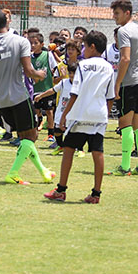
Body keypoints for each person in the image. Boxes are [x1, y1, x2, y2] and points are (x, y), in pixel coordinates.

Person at [0, 10, 55, 185]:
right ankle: (13, 173)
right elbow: (29, 71)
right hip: (20, 96)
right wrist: (40, 74)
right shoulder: (20, 41)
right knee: (30, 137)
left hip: (2, 100)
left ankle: (43, 172)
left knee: (26, 138)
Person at [44, 30, 113, 203]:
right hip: (99, 114)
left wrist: (64, 116)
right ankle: (96, 194)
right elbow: (111, 96)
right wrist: (106, 115)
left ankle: (61, 190)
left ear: (92, 47)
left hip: (80, 114)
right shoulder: (109, 67)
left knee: (68, 150)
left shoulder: (82, 65)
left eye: (84, 47)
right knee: (98, 152)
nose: (82, 50)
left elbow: (75, 92)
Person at [110, 0, 138, 176]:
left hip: (130, 82)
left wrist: (118, 83)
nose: (114, 17)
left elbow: (125, 59)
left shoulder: (124, 31)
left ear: (127, 13)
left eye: (117, 13)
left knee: (124, 125)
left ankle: (125, 166)